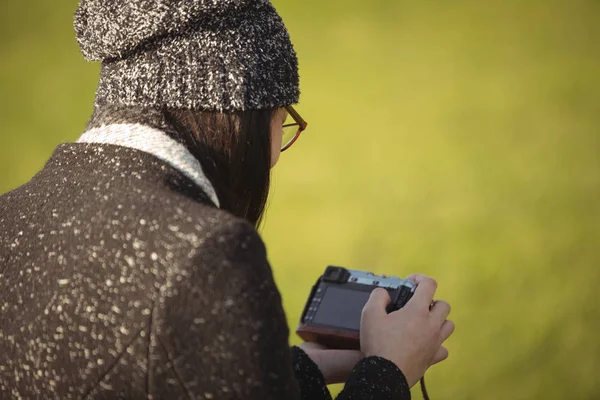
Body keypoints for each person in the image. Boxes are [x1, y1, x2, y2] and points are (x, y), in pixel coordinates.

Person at [0, 0, 454, 398]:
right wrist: (388, 371)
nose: (275, 155)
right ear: (241, 117)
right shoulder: (208, 253)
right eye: (284, 120)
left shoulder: (9, 218)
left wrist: (292, 366)